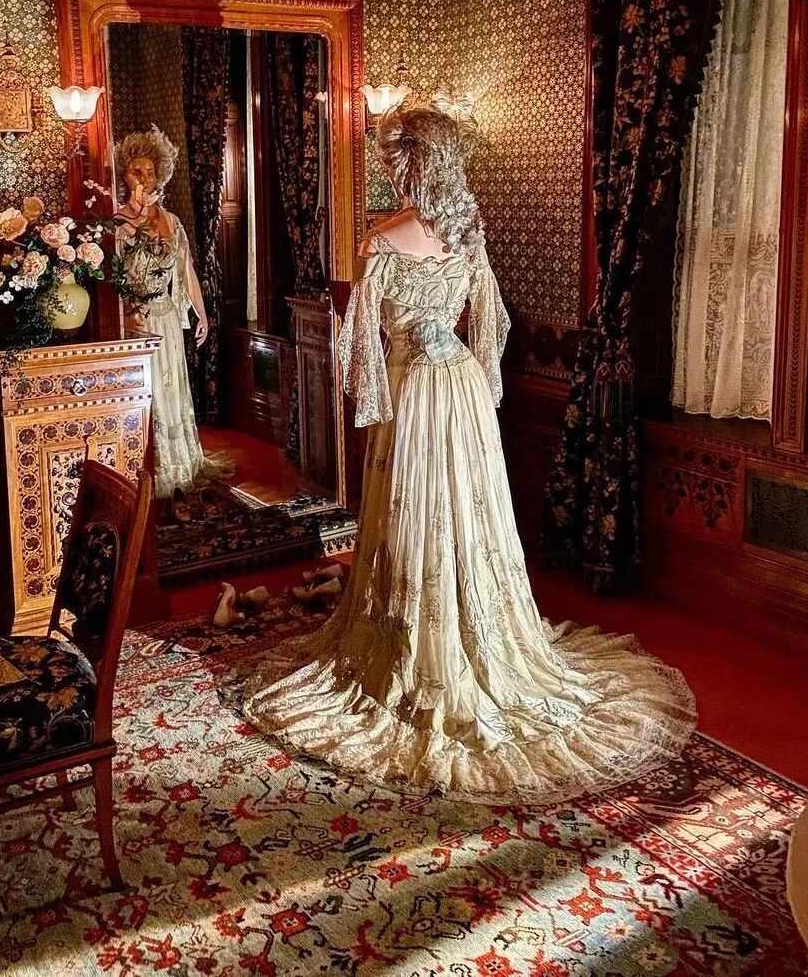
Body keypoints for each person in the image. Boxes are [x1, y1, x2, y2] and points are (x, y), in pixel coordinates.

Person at [242, 105, 696, 804]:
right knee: (463, 506)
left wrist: (374, 401)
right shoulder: (468, 233)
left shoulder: (383, 241)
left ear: (415, 167)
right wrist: (481, 377)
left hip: (416, 393)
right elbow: (494, 320)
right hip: (459, 390)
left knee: (417, 508)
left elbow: (358, 340)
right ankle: (458, 627)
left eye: (398, 163)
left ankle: (418, 643)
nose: (394, 174)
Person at [114, 127, 228, 500]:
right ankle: (148, 470)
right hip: (137, 321)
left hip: (167, 318)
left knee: (172, 390)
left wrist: (202, 314)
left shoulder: (171, 221)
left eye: (149, 172)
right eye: (136, 171)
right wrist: (126, 313)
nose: (143, 178)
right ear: (124, 175)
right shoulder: (117, 223)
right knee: (147, 396)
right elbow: (111, 279)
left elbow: (186, 270)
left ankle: (179, 465)